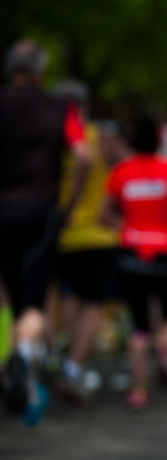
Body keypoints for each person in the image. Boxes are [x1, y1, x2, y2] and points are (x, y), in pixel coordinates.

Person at [0, 40, 91, 425]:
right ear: (40, 73)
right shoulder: (59, 108)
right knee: (33, 303)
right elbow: (83, 156)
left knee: (5, 294)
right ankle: (22, 358)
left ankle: (10, 367)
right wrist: (68, 206)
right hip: (41, 212)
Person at [103, 116, 167, 411]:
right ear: (160, 140)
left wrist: (126, 225)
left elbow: (104, 216)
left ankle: (138, 391)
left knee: (138, 325)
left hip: (130, 252)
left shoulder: (121, 172)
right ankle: (163, 344)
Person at [51, 82, 122, 403]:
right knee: (93, 304)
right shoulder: (101, 140)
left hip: (57, 235)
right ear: (86, 105)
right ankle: (73, 369)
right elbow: (133, 170)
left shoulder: (46, 141)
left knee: (67, 298)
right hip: (97, 234)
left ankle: (59, 351)